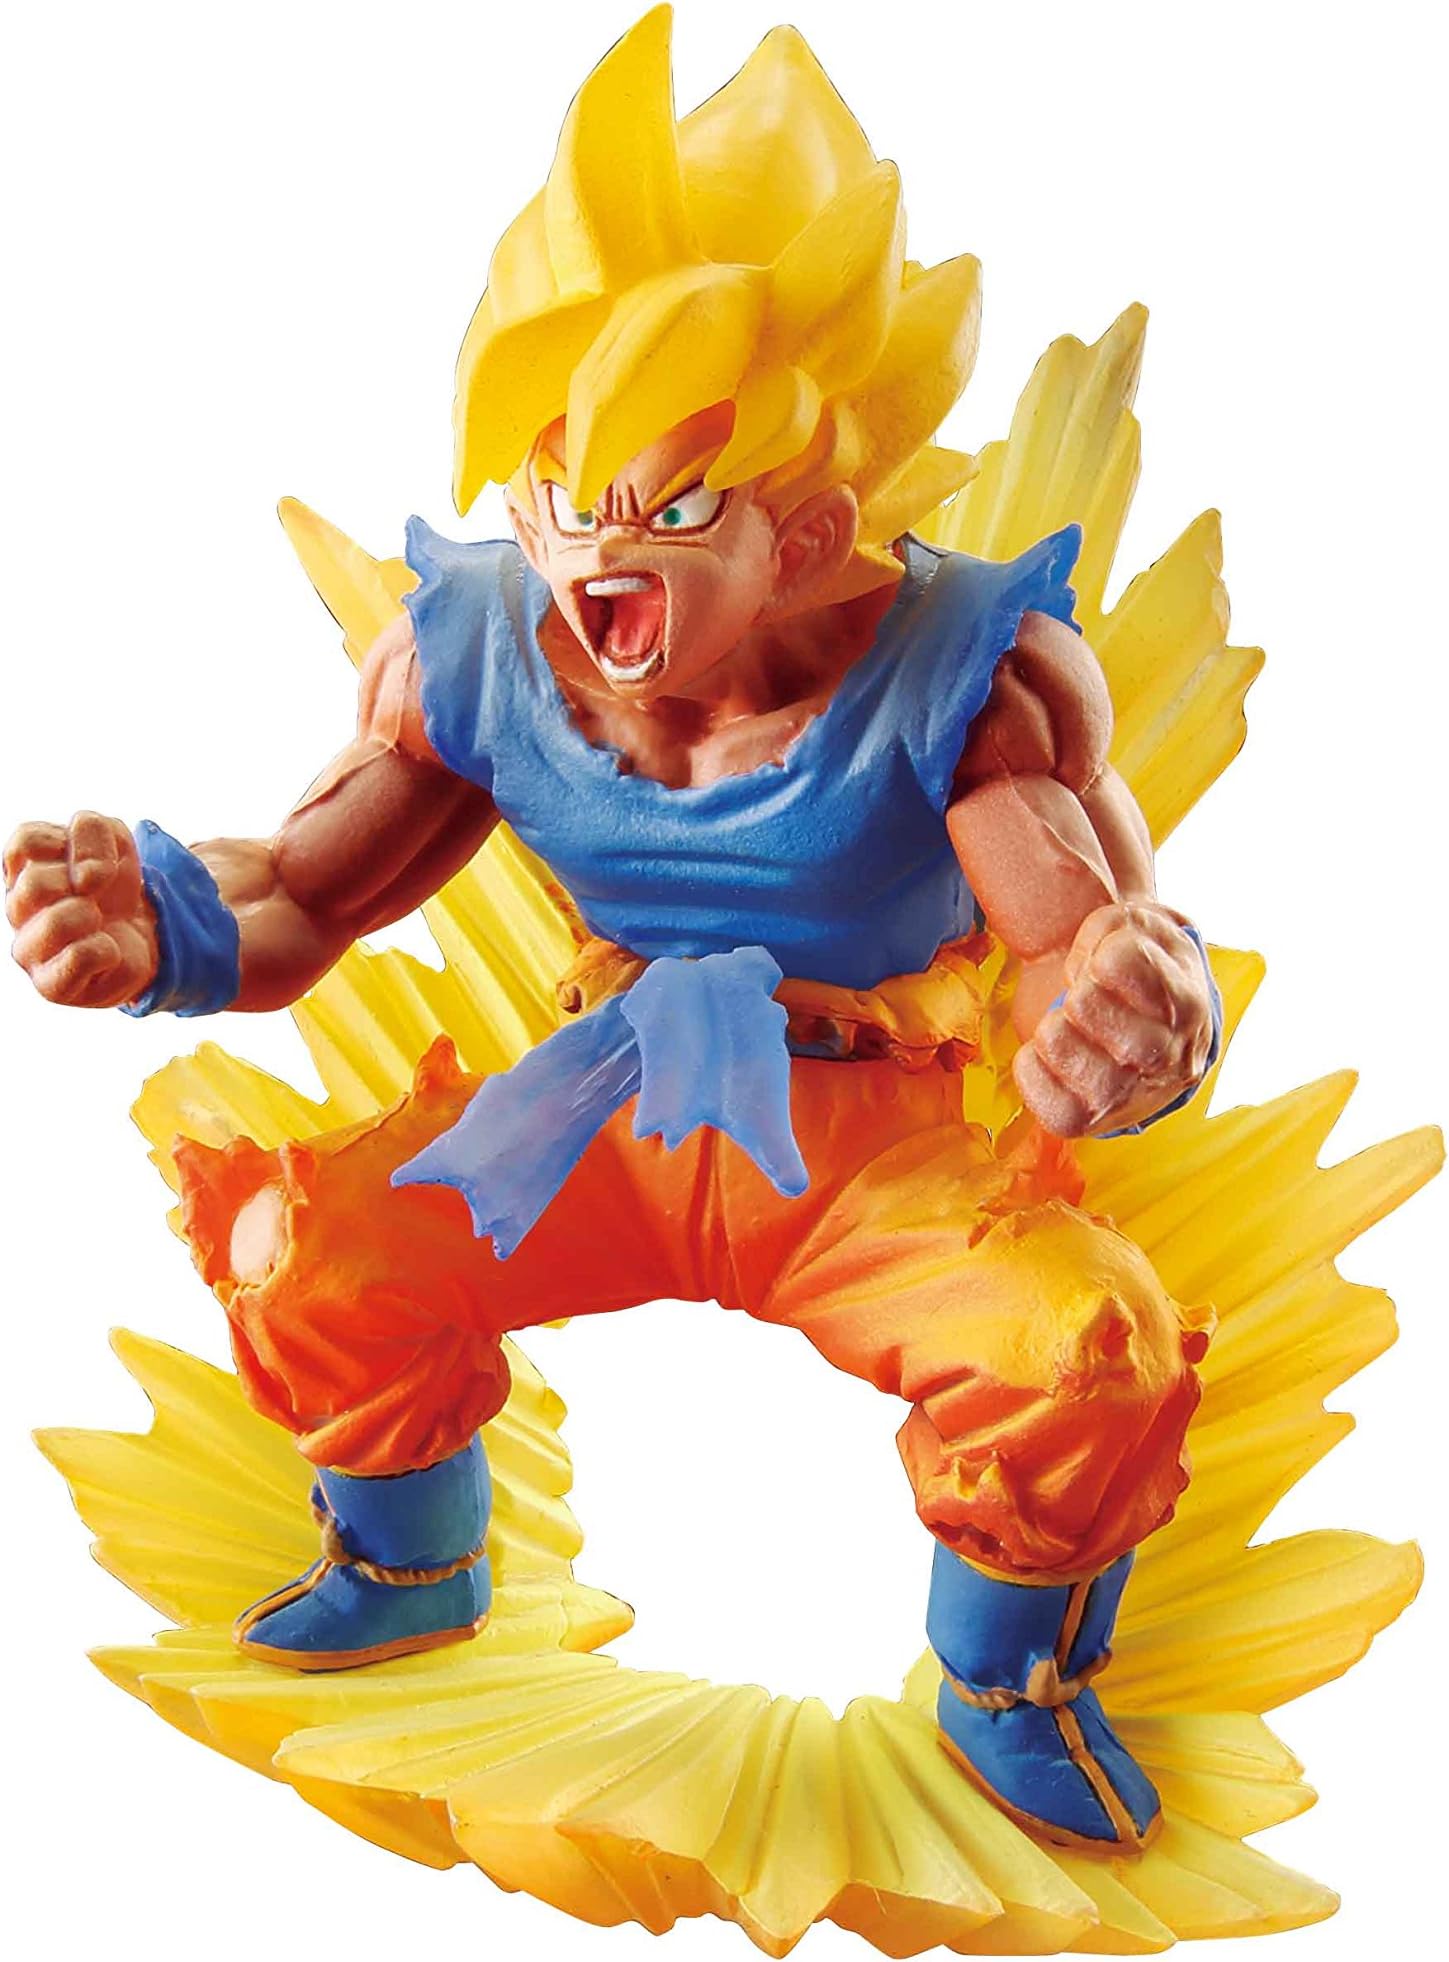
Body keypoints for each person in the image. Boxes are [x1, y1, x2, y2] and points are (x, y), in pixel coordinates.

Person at [2, 9, 1218, 1854]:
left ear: (805, 529)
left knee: (1082, 1347)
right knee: (298, 1247)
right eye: (558, 496)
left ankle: (1008, 1680)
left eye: (662, 510)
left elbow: (1082, 939)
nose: (585, 560)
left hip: (861, 1143)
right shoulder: (476, 649)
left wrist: (1133, 1013)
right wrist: (161, 924)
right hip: (601, 1101)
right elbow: (310, 893)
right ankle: (410, 1566)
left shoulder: (969, 677)